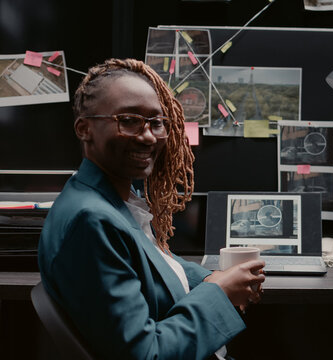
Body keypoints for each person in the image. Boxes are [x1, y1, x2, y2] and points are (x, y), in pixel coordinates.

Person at [38, 58, 265, 360]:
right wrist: (219, 293)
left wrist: (214, 278)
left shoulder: (110, 198)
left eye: (156, 123)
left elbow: (158, 266)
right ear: (84, 129)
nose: (147, 136)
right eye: (129, 120)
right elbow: (146, 354)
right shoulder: (91, 220)